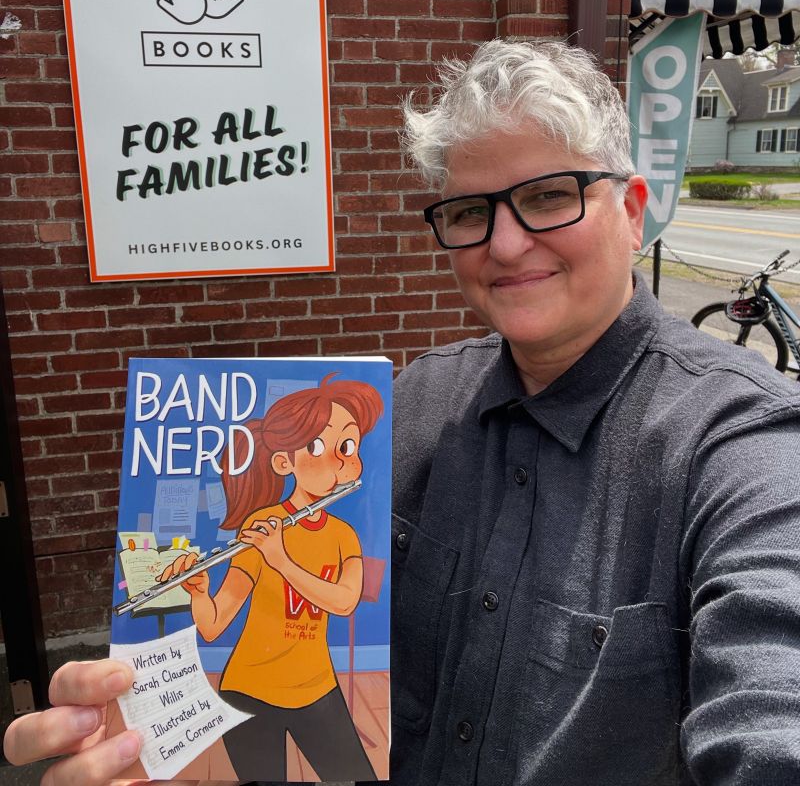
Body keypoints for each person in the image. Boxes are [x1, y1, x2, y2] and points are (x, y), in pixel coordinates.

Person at [4, 39, 800, 786]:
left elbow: (772, 700)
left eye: (550, 196)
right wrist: (138, 695)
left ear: (632, 210)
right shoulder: (411, 409)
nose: (508, 244)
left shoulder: (741, 443)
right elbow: (219, 619)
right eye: (469, 212)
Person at [158, 374, 381, 782]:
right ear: (284, 461)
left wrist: (281, 560)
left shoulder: (343, 536)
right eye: (318, 446)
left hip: (316, 689)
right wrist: (200, 592)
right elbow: (212, 626)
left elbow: (345, 601)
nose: (339, 460)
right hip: (248, 693)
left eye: (347, 446)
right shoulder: (263, 526)